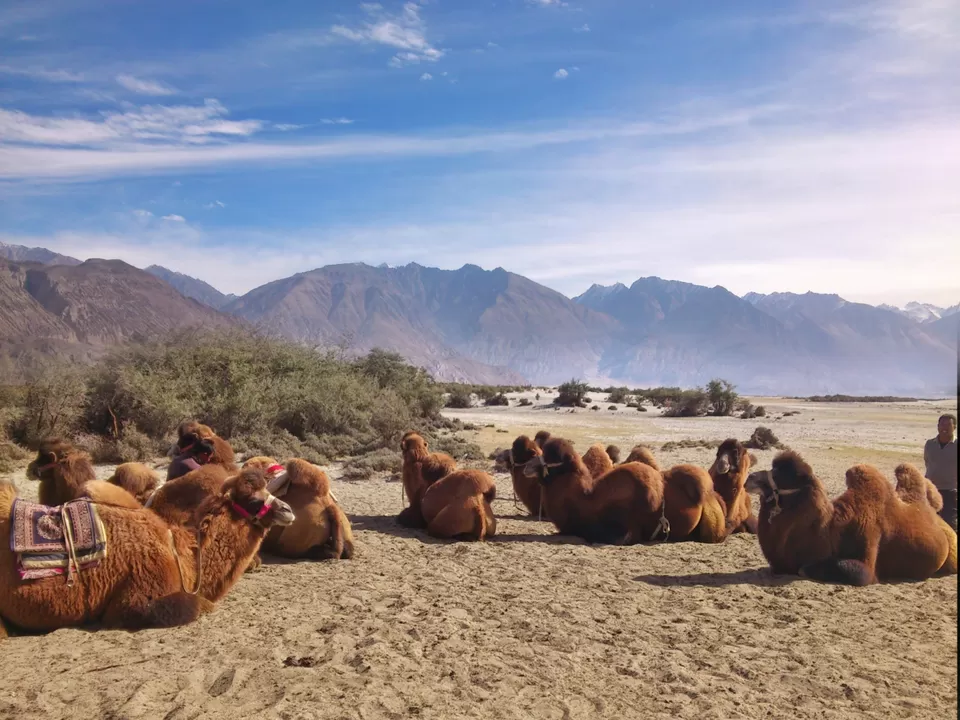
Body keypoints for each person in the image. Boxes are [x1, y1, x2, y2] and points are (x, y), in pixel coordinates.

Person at [924, 413, 957, 531]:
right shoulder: (929, 444)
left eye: (948, 425)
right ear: (938, 426)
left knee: (950, 524)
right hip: (931, 489)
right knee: (930, 522)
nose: (944, 427)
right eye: (942, 424)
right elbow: (928, 462)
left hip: (951, 491)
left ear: (954, 427)